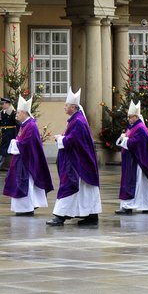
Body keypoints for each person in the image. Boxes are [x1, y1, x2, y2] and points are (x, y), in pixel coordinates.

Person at [46, 88, 101, 227]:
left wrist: (60, 139)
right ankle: (91, 215)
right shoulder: (76, 119)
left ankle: (60, 216)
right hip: (80, 161)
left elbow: (73, 140)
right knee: (85, 190)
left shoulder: (77, 121)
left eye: (66, 105)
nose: (64, 106)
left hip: (77, 163)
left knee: (69, 186)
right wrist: (63, 138)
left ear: (73, 107)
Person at [3, 95, 53, 216]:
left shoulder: (30, 125)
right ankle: (24, 207)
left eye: (18, 112)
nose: (16, 114)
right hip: (22, 158)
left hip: (27, 160)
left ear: (24, 113)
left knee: (26, 183)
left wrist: (16, 143)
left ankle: (26, 207)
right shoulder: (24, 124)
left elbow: (27, 143)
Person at [115, 100, 148, 214]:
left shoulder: (140, 128)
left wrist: (125, 139)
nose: (128, 119)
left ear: (136, 116)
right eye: (128, 117)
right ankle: (128, 205)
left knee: (140, 185)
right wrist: (123, 138)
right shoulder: (133, 127)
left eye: (130, 117)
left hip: (139, 163)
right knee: (134, 184)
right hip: (131, 161)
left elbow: (136, 144)